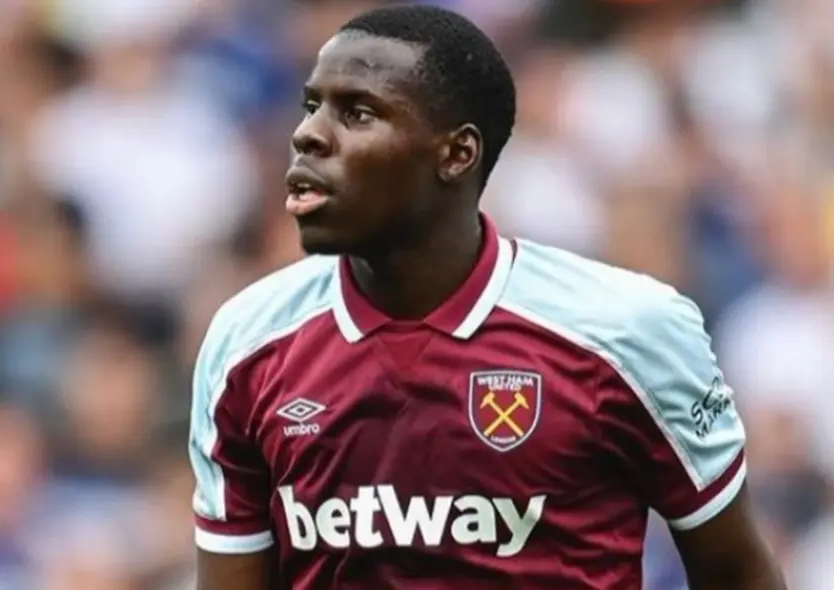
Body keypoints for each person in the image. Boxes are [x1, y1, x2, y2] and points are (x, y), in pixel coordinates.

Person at [188, 5, 785, 589]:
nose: (308, 135)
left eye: (359, 113)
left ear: (456, 154)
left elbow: (736, 572)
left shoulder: (627, 332)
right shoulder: (247, 343)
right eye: (312, 106)